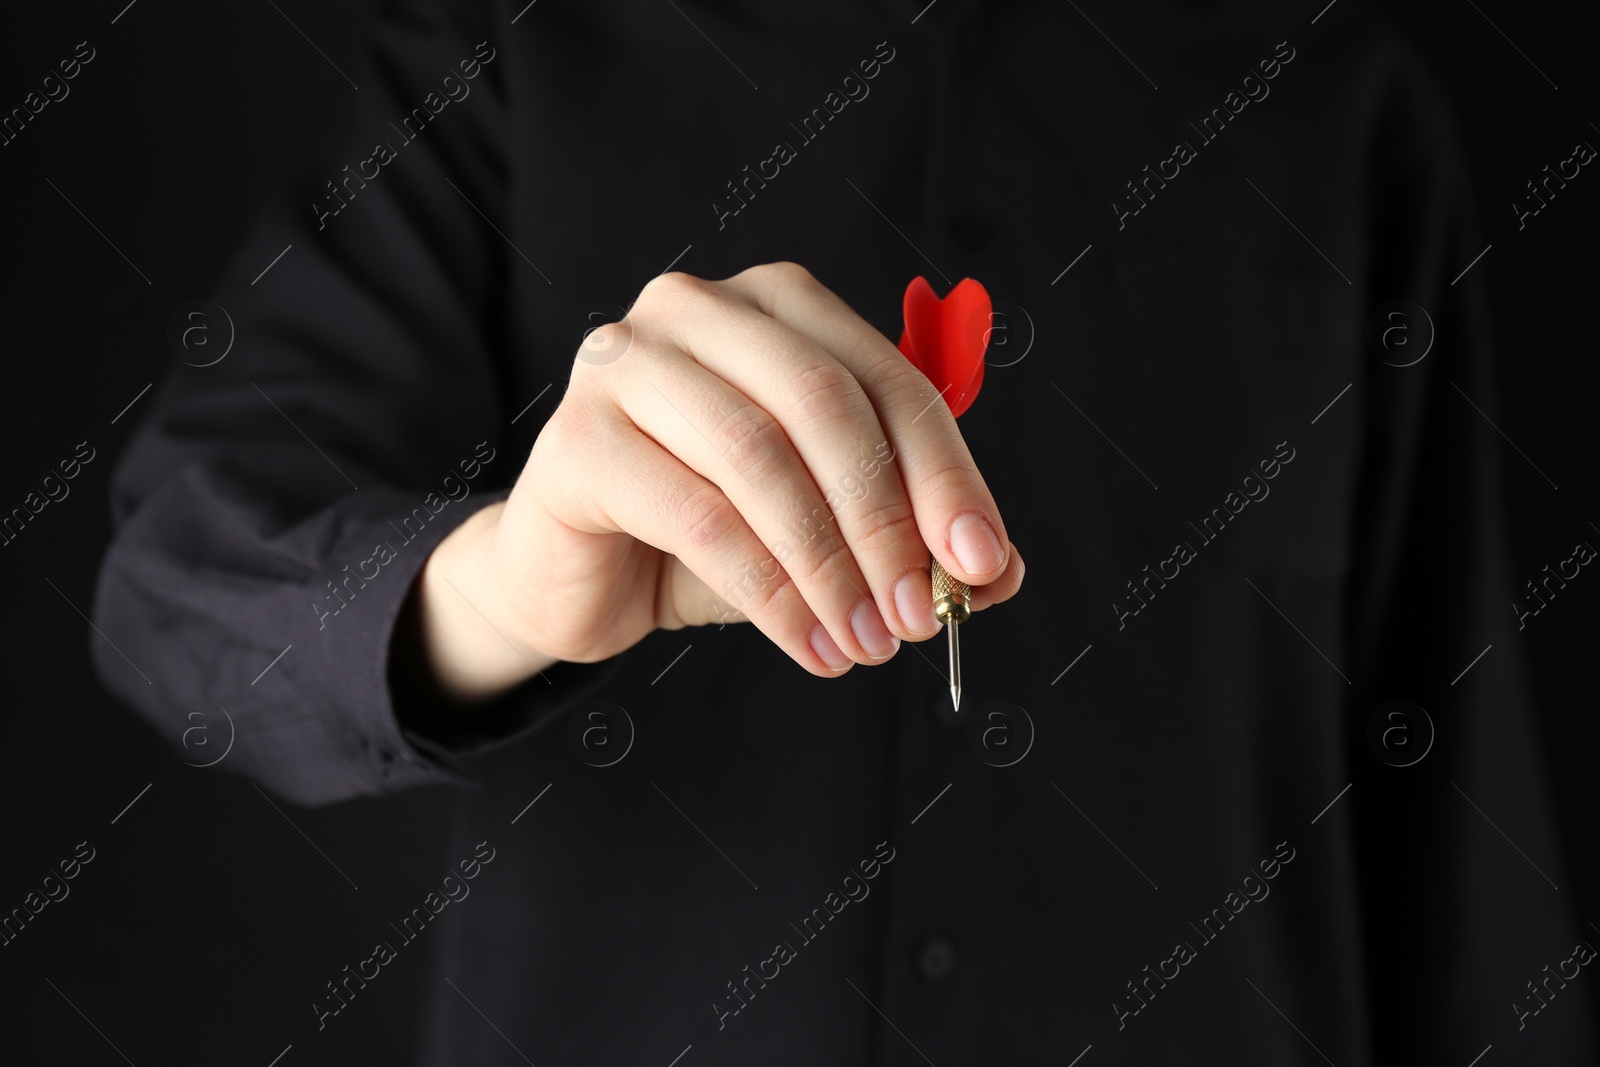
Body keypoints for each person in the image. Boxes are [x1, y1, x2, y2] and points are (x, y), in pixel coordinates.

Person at [92, 0, 1595, 1062]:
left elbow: (1453, 805)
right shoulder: (524, 45)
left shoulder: (1334, 103)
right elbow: (178, 590)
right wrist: (503, 588)